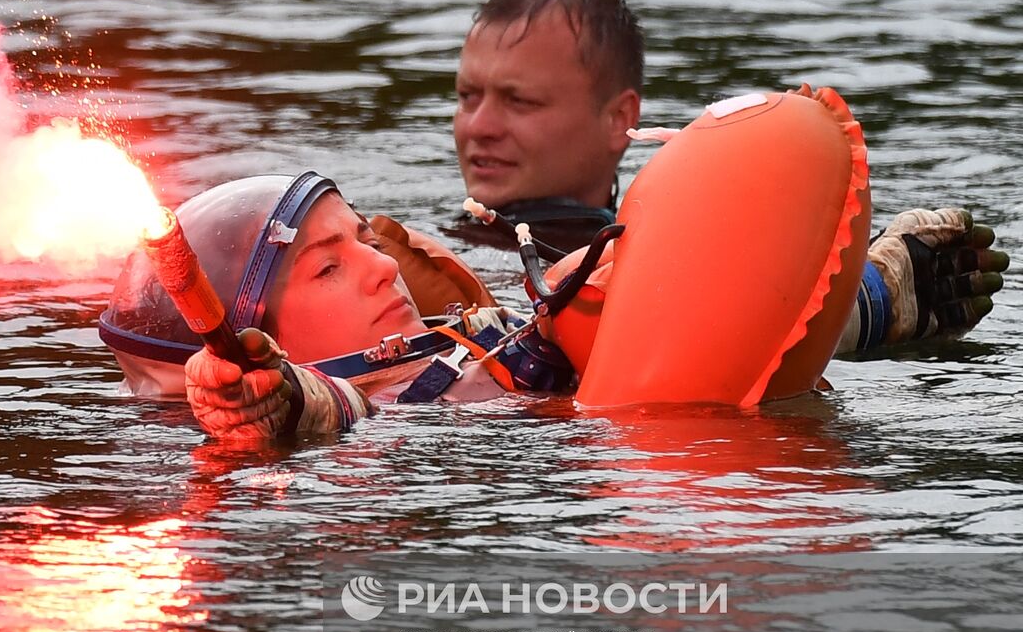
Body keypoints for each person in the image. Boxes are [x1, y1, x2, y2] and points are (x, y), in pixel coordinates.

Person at [100, 170, 994, 443]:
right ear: (271, 335)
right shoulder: (382, 405)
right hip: (648, 476)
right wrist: (280, 400)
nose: (380, 271)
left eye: (363, 243)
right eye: (328, 272)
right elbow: (341, 412)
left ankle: (870, 304)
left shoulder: (470, 332)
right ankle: (864, 312)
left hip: (632, 374)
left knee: (588, 281)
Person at [446, 0, 1007, 348]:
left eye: (520, 101)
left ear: (621, 119)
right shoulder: (407, 256)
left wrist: (853, 300)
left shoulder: (660, 258)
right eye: (468, 97)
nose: (479, 127)